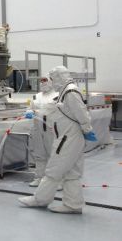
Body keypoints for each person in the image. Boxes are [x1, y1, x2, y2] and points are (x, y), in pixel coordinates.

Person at [18, 66, 97, 214]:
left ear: (59, 77)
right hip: (69, 136)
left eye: (53, 79)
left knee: (53, 169)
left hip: (68, 137)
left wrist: (87, 129)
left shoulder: (70, 92)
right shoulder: (65, 91)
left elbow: (82, 113)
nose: (51, 82)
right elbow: (54, 109)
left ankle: (40, 199)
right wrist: (36, 112)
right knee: (72, 173)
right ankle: (73, 204)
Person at [25, 76, 58, 187]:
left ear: (51, 81)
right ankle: (39, 177)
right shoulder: (37, 96)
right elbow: (30, 107)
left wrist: (38, 112)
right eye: (41, 80)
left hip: (51, 129)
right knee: (39, 154)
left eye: (45, 80)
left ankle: (56, 180)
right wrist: (29, 111)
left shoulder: (57, 96)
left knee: (53, 154)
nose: (43, 82)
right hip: (37, 128)